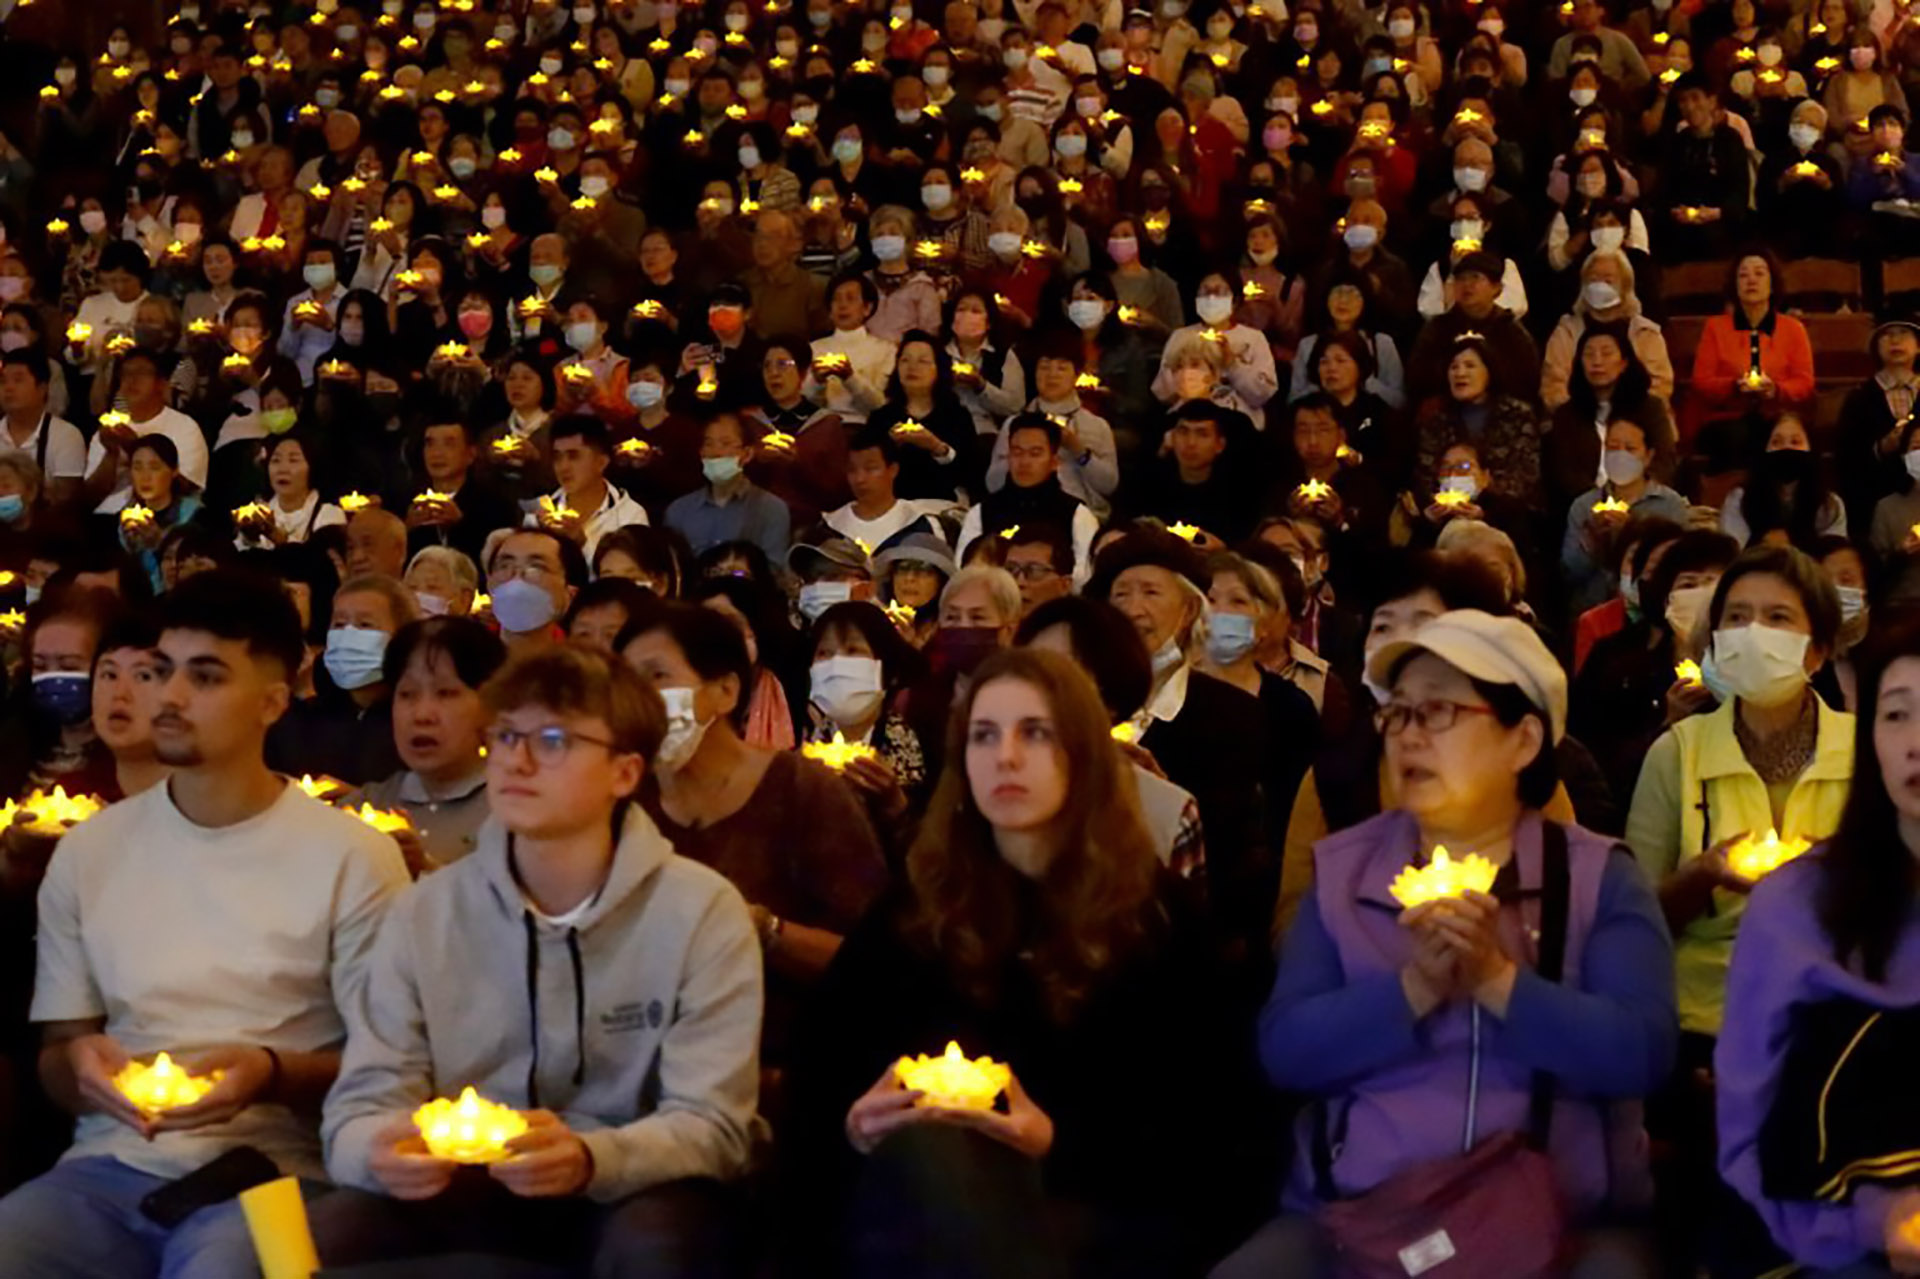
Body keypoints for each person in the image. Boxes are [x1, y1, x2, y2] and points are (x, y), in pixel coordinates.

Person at [1216, 609, 1675, 1278]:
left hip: (1554, 1221)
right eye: (1397, 713)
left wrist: (1498, 981)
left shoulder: (1596, 876)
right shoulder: (1346, 872)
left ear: (1523, 740)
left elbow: (1641, 1052)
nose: (1408, 735)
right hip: (1363, 1218)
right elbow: (1286, 1048)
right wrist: (1412, 991)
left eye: (1438, 712)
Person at [0, 570, 408, 1275]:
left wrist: (272, 1073)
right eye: (162, 672)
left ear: (273, 701)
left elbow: (393, 1065)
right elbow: (60, 1050)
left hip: (275, 1170)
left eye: (207, 676)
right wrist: (80, 1068)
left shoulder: (353, 856)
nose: (172, 697)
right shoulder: (91, 849)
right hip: (105, 1163)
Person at [785, 647, 1239, 1278]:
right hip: (910, 1204)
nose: (1005, 757)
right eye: (983, 736)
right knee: (931, 1164)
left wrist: (1050, 1140)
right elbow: (823, 1079)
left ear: (1082, 755)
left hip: (1091, 1206)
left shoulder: (1153, 917)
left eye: (1036, 734)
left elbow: (1205, 1129)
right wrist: (857, 1125)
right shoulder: (918, 908)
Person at [312, 645, 762, 1275]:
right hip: (465, 1176)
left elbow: (714, 1125)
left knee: (660, 1242)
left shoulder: (699, 909)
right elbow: (361, 1106)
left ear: (625, 772)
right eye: (504, 736)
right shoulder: (426, 911)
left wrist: (591, 1156)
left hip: (628, 1180)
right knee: (330, 1233)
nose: (517, 761)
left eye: (553, 740)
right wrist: (377, 1150)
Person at [1716, 614, 1920, 1277]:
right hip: (1840, 1242)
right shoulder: (1792, 910)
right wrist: (1874, 1222)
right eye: (1896, 715)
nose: (1917, 742)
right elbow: (1749, 1133)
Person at [622, 603, 887, 1054]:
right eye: (625, 683)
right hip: (648, 1051)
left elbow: (875, 960)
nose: (637, 699)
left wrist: (763, 929)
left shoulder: (801, 790)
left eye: (657, 677)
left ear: (725, 690)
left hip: (787, 1051)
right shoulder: (624, 796)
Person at [1627, 545, 1853, 1054]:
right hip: (1704, 1017)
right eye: (1737, 618)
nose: (1754, 634)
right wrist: (1702, 876)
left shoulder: (1864, 752)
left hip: (1839, 1014)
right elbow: (1633, 919)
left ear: (1816, 650)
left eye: (1778, 618)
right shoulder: (1677, 753)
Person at [359, 616, 507, 871]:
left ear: (489, 704)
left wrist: (428, 869)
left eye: (446, 693)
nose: (422, 715)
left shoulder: (520, 812)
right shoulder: (366, 805)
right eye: (407, 695)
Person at [268, 573, 416, 786]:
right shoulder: (298, 723)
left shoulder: (418, 725)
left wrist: (361, 801)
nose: (348, 634)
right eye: (338, 624)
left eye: (365, 625)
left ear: (403, 637)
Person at [664, 414, 793, 561]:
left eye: (725, 443)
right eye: (709, 444)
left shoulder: (770, 509)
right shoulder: (679, 510)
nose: (716, 453)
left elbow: (774, 570)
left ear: (747, 454)